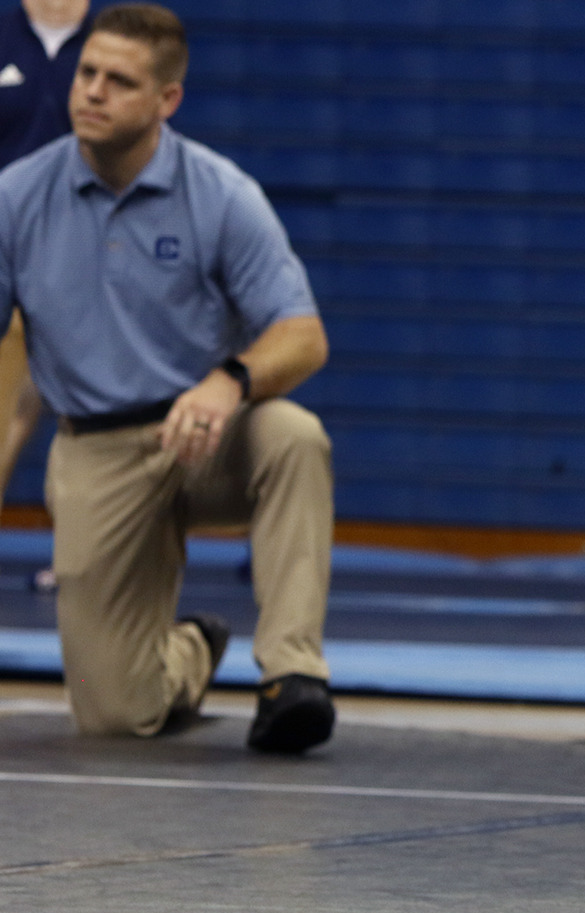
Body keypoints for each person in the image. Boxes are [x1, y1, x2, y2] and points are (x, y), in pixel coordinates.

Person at [0, 3, 335, 751]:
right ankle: (191, 649)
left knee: (294, 437)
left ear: (166, 101)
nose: (91, 92)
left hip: (205, 434)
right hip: (97, 449)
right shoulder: (17, 199)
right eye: (87, 72)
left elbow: (304, 336)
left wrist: (229, 381)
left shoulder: (221, 193)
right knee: (117, 717)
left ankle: (291, 674)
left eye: (118, 81)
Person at [0, 0, 90, 515]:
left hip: (89, 249)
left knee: (83, 402)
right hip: (7, 250)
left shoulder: (106, 46)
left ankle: (82, 548)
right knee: (11, 401)